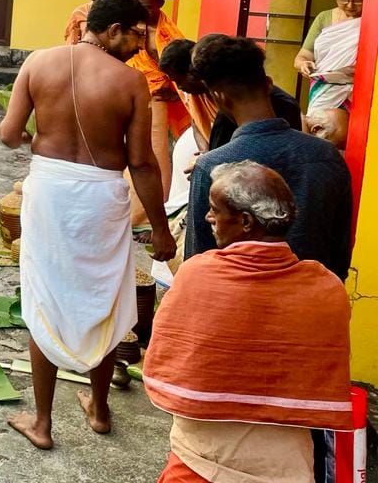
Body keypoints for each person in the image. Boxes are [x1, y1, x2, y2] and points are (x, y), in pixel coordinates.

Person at [0, 0, 175, 450]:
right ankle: (98, 408)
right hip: (101, 197)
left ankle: (42, 422)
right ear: (113, 29)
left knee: (46, 299)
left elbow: (8, 134)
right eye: (137, 35)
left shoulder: (38, 63)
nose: (141, 46)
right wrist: (159, 227)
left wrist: (42, 140)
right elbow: (142, 162)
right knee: (103, 298)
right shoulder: (131, 83)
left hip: (51, 193)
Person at [145, 162, 352, 483]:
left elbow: (171, 360)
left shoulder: (198, 273)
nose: (207, 218)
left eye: (215, 209)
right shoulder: (326, 287)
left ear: (244, 221)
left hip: (201, 456)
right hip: (286, 462)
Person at [187, 34, 352, 280]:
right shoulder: (327, 155)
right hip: (309, 300)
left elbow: (198, 260)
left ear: (218, 97)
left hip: (236, 302)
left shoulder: (211, 165)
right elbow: (340, 252)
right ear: (269, 84)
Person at [126, 0, 191, 225]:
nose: (145, 11)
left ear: (161, 3)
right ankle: (134, 211)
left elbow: (181, 67)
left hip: (158, 99)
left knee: (155, 155)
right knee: (132, 152)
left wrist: (175, 92)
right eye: (140, 5)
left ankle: (148, 216)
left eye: (149, 6)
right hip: (133, 94)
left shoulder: (169, 34)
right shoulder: (131, 28)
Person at [164, 38, 302, 152]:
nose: (180, 87)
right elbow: (196, 123)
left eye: (179, 81)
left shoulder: (284, 105)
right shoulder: (321, 152)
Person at [295, 0, 365, 114]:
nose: (350, 5)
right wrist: (304, 65)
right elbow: (302, 57)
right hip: (323, 91)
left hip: (358, 92)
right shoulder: (324, 18)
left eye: (358, 0)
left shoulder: (371, 21)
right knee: (319, 128)